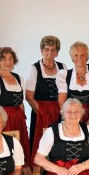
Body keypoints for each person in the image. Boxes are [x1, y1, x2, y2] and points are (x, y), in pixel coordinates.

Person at [0, 47, 31, 166]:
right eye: (4, 59)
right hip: (3, 121)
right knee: (8, 149)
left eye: (10, 58)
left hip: (18, 119)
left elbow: (20, 103)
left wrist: (23, 121)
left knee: (21, 149)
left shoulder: (18, 78)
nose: (8, 62)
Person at [26, 36, 66, 165]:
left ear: (57, 52)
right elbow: (29, 97)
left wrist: (62, 111)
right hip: (40, 112)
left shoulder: (62, 67)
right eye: (46, 49)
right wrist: (43, 113)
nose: (49, 53)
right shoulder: (34, 69)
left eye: (53, 50)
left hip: (59, 110)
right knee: (41, 144)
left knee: (58, 141)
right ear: (41, 51)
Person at [58, 41, 89, 123]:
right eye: (76, 55)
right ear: (72, 58)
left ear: (87, 57)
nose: (79, 58)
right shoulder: (64, 75)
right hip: (70, 115)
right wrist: (70, 117)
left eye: (82, 55)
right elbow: (62, 99)